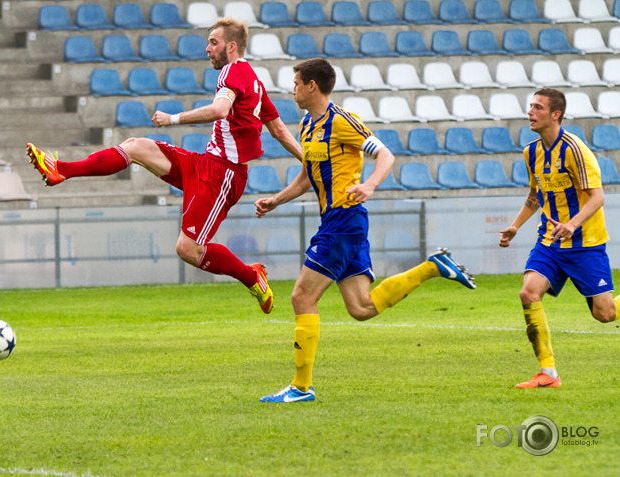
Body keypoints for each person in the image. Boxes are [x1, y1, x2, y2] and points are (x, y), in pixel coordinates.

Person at [25, 17, 303, 314]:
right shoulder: (254, 82)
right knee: (136, 146)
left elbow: (220, 109)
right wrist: (309, 160)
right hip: (206, 163)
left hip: (224, 174)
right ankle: (62, 170)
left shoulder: (232, 74)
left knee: (187, 249)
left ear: (231, 47)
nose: (207, 48)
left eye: (214, 42)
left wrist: (173, 119)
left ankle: (252, 277)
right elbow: (279, 130)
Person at [254, 58, 476, 403]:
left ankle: (300, 388)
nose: (292, 89)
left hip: (344, 220)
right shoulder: (307, 124)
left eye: (296, 83)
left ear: (312, 85)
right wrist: (277, 200)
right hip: (340, 222)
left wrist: (370, 184)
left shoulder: (341, 121)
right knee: (360, 308)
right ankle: (433, 267)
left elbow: (384, 155)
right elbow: (308, 174)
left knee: (301, 297)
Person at [499, 88, 620, 389]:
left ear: (555, 114)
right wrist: (515, 226)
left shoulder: (575, 150)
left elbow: (598, 196)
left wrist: (572, 224)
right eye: (530, 106)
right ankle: (548, 373)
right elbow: (534, 195)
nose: (530, 112)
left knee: (604, 314)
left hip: (585, 243)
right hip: (550, 242)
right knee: (528, 293)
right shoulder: (531, 151)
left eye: (538, 107)